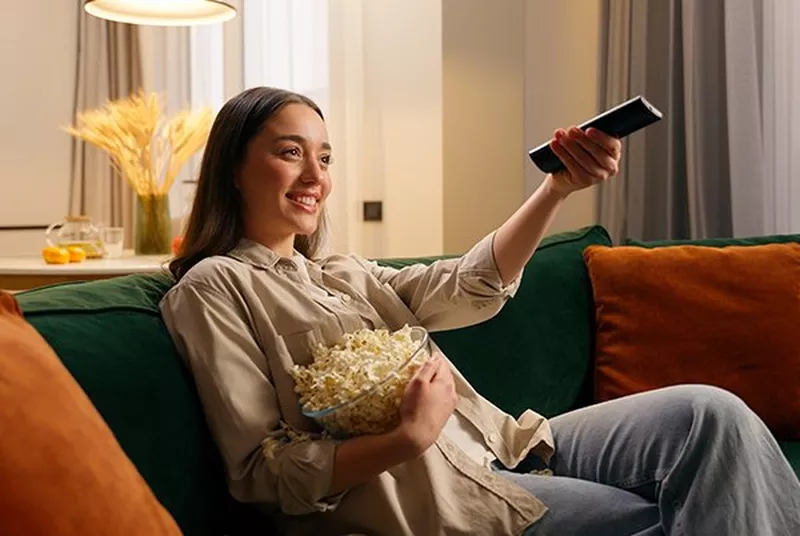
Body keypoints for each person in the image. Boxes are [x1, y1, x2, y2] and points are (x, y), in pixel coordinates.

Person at [159, 86, 800, 536]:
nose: (315, 175)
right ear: (234, 168)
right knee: (668, 518)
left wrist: (557, 188)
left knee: (709, 415)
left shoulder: (344, 272)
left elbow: (470, 285)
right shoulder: (215, 288)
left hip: (508, 444)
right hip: (444, 499)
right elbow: (261, 473)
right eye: (290, 151)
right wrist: (407, 437)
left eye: (324, 156)